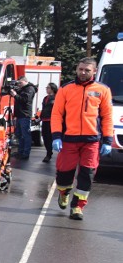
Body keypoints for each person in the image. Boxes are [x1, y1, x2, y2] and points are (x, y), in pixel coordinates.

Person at [51, 57, 113, 220]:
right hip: (69, 139)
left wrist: (107, 140)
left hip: (92, 141)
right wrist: (56, 136)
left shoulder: (103, 90)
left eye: (87, 70)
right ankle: (63, 193)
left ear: (94, 71)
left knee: (87, 174)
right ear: (76, 70)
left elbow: (107, 116)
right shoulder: (66, 89)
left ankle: (77, 207)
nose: (83, 72)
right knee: (64, 174)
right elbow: (57, 114)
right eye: (80, 69)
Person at [11, 75, 37, 160]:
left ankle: (25, 153)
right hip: (20, 115)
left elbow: (25, 100)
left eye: (20, 83)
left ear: (25, 81)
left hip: (25, 115)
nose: (19, 84)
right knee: (19, 134)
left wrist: (15, 95)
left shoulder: (29, 89)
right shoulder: (23, 89)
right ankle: (20, 151)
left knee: (25, 135)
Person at [38, 82, 58, 163]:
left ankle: (49, 154)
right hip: (45, 120)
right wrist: (39, 118)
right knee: (45, 138)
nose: (46, 89)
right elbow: (43, 109)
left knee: (51, 138)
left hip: (52, 121)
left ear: (52, 89)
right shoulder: (45, 98)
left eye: (48, 88)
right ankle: (49, 152)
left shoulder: (57, 97)